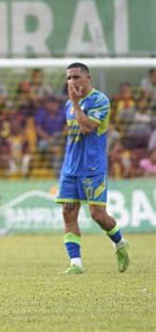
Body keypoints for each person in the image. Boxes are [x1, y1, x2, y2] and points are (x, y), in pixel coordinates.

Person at [56, 62, 130, 274]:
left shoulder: (100, 100)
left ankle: (120, 243)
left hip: (92, 167)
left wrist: (77, 105)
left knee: (98, 215)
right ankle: (76, 264)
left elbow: (88, 128)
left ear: (88, 78)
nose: (72, 82)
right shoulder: (69, 105)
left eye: (76, 77)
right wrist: (74, 104)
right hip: (70, 168)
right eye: (69, 78)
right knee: (68, 213)